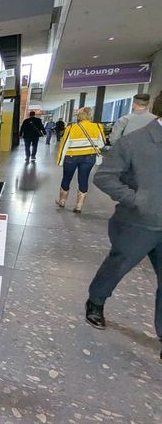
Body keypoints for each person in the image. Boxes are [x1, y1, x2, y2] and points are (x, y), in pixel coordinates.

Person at [86, 93, 162, 362]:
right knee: (117, 265)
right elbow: (104, 177)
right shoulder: (134, 142)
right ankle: (96, 299)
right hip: (137, 222)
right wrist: (136, 199)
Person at [55, 107, 105, 213]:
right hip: (89, 157)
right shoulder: (98, 127)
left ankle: (62, 201)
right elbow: (102, 143)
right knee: (83, 179)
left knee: (66, 178)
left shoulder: (72, 127)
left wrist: (60, 160)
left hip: (71, 157)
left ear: (79, 116)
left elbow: (64, 145)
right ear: (90, 115)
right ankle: (79, 206)